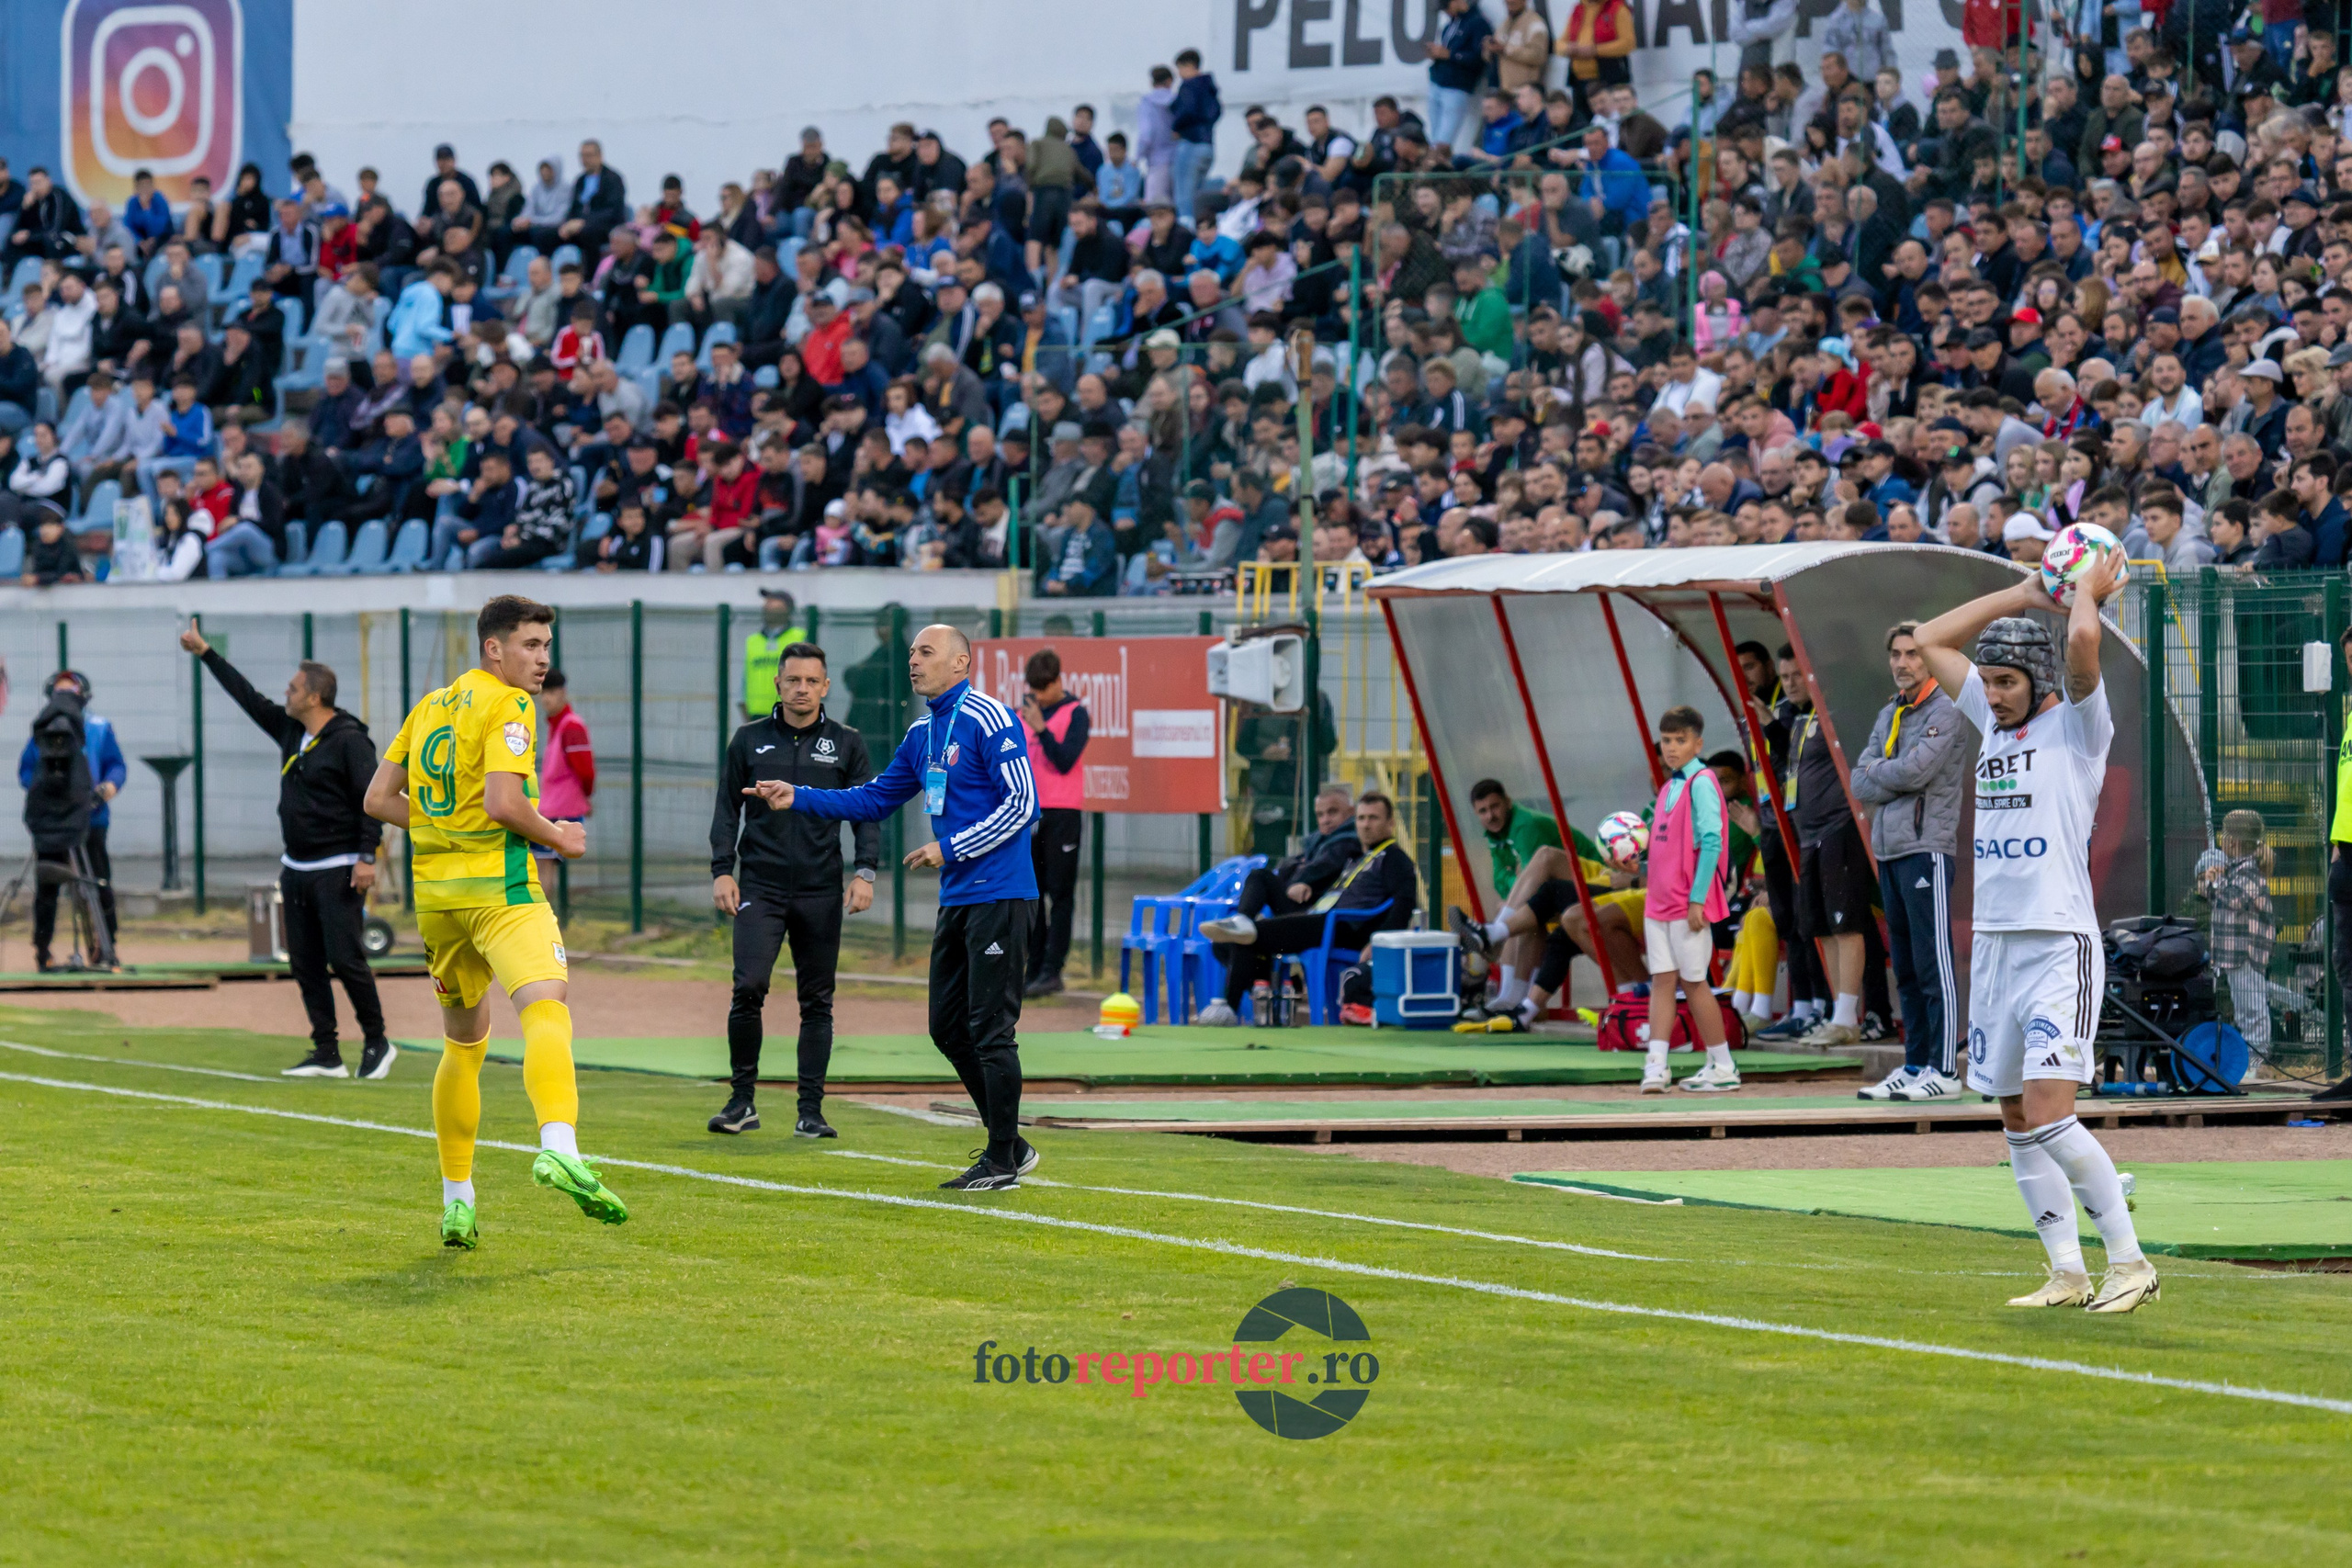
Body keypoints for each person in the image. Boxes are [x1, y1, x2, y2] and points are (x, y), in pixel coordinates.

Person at [1911, 550, 2159, 1314]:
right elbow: (1929, 639)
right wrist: (2020, 591)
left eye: (2008, 681)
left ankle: (2131, 1263)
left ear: (2041, 682)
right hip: (1994, 943)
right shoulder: (1989, 717)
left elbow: (2083, 645)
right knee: (2015, 1115)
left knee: (2052, 1110)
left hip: (2057, 943)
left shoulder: (2080, 729)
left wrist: (2085, 590)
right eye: (1988, 682)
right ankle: (2066, 1271)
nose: (1992, 693)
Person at [362, 595, 622, 1250]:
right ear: (493, 648)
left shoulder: (428, 707)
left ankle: (457, 1200)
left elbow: (377, 798)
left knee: (464, 1044)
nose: (541, 659)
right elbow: (505, 802)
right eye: (530, 645)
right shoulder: (508, 705)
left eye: (545, 646)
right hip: (499, 889)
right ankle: (559, 1143)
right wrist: (558, 837)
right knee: (545, 1007)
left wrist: (443, 828)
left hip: (437, 900)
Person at [757, 624, 1039, 1190]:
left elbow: (1024, 803)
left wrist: (950, 846)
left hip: (1001, 895)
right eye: (912, 652)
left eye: (926, 652)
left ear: (960, 664)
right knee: (946, 1028)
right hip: (959, 898)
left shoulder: (991, 717)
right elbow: (877, 796)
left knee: (991, 1030)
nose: (913, 660)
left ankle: (1003, 1158)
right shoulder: (923, 731)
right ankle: (1011, 1144)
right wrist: (801, 797)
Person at [180, 627, 390, 1079]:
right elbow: (248, 698)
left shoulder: (351, 740)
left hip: (338, 866)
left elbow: (372, 800)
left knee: (346, 957)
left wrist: (367, 856)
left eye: (294, 688)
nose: (286, 693)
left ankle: (377, 1041)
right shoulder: (291, 731)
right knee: (305, 962)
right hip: (296, 866)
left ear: (315, 697)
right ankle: (326, 1051)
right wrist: (206, 653)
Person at [709, 641, 877, 1138]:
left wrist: (865, 871)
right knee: (749, 987)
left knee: (817, 1000)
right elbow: (726, 810)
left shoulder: (848, 743)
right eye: (793, 681)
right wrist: (722, 870)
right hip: (759, 885)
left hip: (820, 890)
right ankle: (742, 1102)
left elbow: (867, 811)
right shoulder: (748, 740)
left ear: (826, 686)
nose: (802, 689)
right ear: (778, 685)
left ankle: (811, 1110)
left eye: (811, 681)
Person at [1846, 620, 1968, 1103]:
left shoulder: (1947, 709)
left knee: (1934, 963)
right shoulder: (1889, 712)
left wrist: (1883, 772)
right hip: (1890, 850)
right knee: (1908, 969)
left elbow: (1917, 770)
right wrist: (1885, 773)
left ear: (1931, 658)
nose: (1902, 663)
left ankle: (1944, 1069)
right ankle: (1915, 1063)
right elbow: (1859, 781)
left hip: (1927, 850)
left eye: (1913, 653)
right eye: (1896, 654)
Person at [1195, 792, 1418, 1025]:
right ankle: (1257, 964)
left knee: (1246, 936)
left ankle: (1228, 1008)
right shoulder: (1358, 856)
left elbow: (1404, 902)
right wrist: (1306, 887)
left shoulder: (1394, 858)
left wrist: (1379, 941)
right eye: (1362, 818)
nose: (1366, 825)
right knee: (1229, 935)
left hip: (1344, 927)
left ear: (1390, 823)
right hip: (1320, 916)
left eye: (1374, 818)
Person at [1634, 706, 1740, 1094]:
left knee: (1695, 983)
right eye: (1666, 741)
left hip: (1685, 905)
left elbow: (1712, 840)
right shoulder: (1668, 787)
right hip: (1657, 904)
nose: (1672, 748)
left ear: (1699, 743)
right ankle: (1656, 1066)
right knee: (1662, 982)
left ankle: (1724, 1065)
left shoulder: (1702, 782)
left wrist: (1699, 900)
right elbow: (1660, 845)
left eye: (1681, 741)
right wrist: (1632, 859)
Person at [17, 671, 123, 969]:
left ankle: (106, 947)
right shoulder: (41, 732)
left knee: (99, 882)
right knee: (47, 886)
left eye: (70, 693)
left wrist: (110, 786)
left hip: (93, 819)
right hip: (53, 820)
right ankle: (43, 950)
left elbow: (116, 764)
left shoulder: (99, 728)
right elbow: (26, 771)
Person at [1018, 648, 1089, 998]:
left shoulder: (1076, 713)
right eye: (1034, 688)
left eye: (1044, 688)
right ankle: (1033, 968)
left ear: (1058, 682)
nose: (1039, 696)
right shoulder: (1023, 714)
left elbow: (1064, 760)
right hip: (1029, 815)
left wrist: (1042, 730)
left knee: (1060, 895)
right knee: (1032, 895)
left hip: (1063, 814)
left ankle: (1052, 970)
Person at [2203, 810, 2275, 1085]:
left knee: (2252, 1007)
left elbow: (2232, 901)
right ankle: (2248, 1060)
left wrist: (2214, 881)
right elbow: (2212, 894)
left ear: (2233, 840)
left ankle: (2258, 1061)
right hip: (2231, 953)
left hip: (2246, 952)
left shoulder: (2250, 872)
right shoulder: (2234, 869)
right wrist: (2211, 880)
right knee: (2244, 1007)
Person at [535, 671, 594, 894]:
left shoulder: (571, 727)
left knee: (543, 867)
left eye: (551, 692)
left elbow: (586, 771)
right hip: (552, 807)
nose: (546, 699)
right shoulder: (557, 726)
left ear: (563, 693)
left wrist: (585, 798)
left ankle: (542, 924)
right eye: (543, 693)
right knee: (542, 866)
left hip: (559, 810)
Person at [741, 586, 808, 719]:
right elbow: (744, 683)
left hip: (790, 715)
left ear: (788, 609)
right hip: (757, 716)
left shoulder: (801, 637)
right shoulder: (752, 641)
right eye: (767, 602)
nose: (768, 605)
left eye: (774, 601)